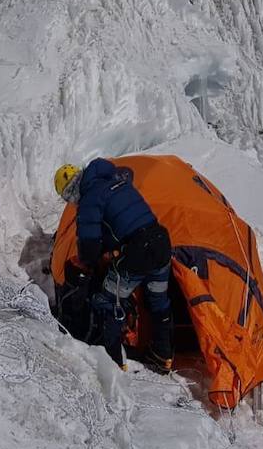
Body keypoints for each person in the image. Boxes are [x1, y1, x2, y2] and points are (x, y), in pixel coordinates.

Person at [55, 159, 174, 372]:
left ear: (71, 191)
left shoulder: (90, 198)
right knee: (159, 303)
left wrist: (90, 265)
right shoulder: (118, 180)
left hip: (137, 252)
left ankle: (114, 363)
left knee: (108, 302)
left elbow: (89, 245)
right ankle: (163, 356)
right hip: (161, 243)